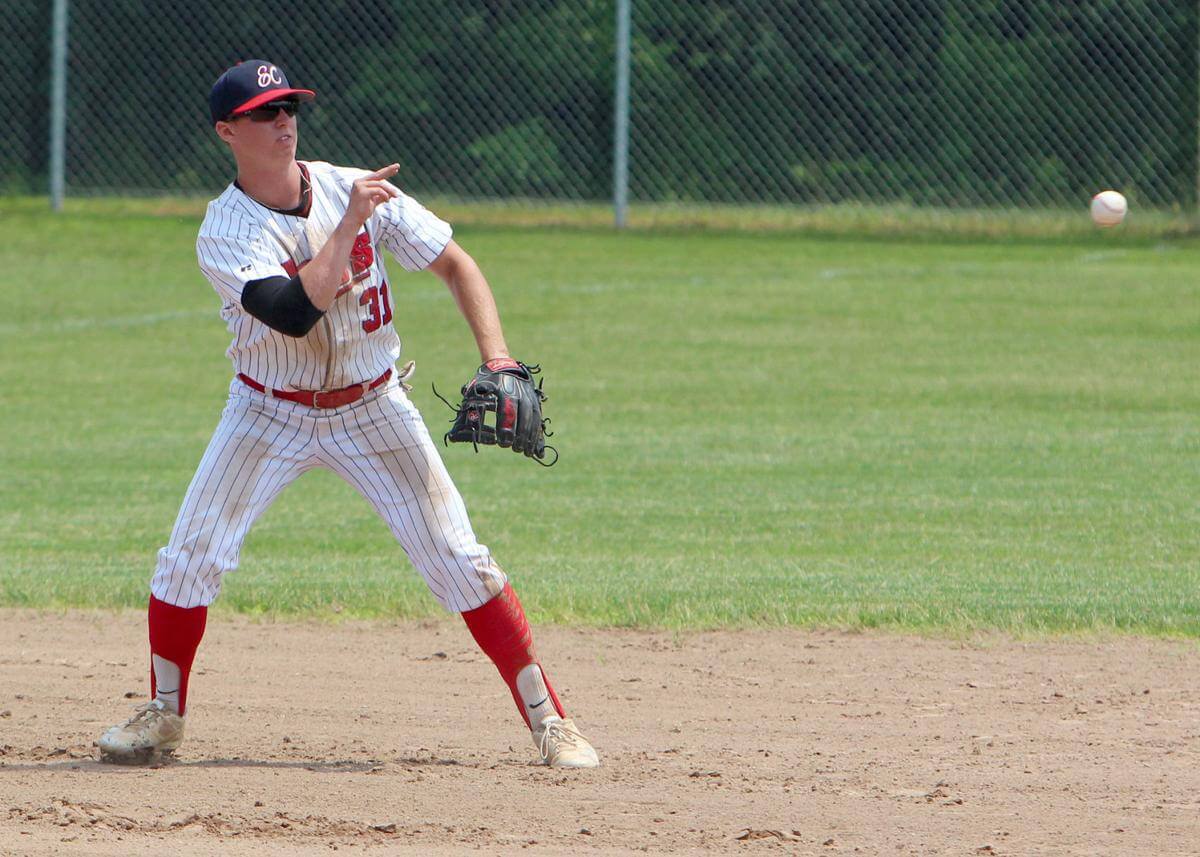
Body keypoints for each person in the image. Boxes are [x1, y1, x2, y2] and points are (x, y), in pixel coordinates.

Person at [97, 60, 599, 769]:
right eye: (266, 112)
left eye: (289, 108)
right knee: (188, 558)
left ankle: (551, 720)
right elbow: (295, 313)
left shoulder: (348, 184)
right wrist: (353, 221)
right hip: (266, 410)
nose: (283, 122)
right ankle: (163, 715)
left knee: (459, 557)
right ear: (226, 131)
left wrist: (498, 359)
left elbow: (457, 264)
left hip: (372, 405)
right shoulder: (226, 228)